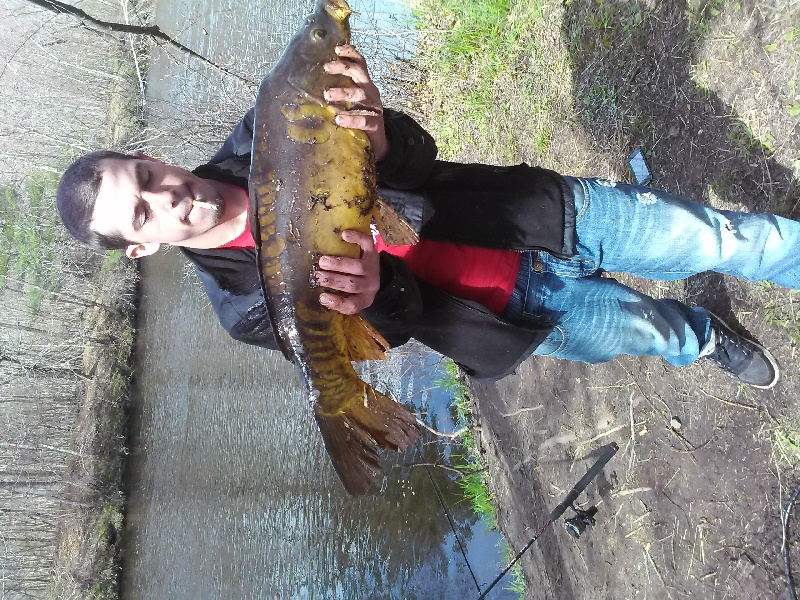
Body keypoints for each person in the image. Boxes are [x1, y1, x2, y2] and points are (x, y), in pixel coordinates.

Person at [57, 45, 798, 390]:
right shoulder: (248, 309)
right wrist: (376, 288)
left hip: (532, 216)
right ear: (140, 245)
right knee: (650, 331)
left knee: (716, 235)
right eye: (144, 211)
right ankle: (705, 339)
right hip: (512, 314)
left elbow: (416, 155)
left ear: (150, 156)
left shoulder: (269, 128)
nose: (170, 195)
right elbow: (391, 332)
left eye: (148, 175)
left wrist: (381, 134)